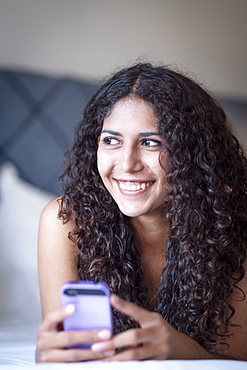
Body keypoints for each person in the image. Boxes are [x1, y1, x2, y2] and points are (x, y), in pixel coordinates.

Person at [36, 63, 247, 362]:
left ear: (193, 152)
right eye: (111, 140)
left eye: (151, 142)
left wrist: (184, 352)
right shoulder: (65, 221)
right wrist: (49, 352)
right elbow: (64, 351)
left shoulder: (234, 224)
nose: (127, 163)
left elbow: (239, 361)